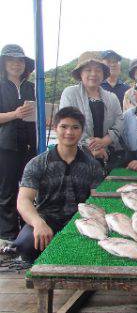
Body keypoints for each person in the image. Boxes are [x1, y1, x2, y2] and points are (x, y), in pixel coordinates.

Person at [12, 107, 103, 262]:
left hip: (81, 220)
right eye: (64, 127)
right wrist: (38, 223)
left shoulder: (93, 165)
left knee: (96, 249)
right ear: (55, 128)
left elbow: (98, 200)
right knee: (25, 245)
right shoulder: (37, 163)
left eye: (75, 127)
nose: (69, 132)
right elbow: (24, 200)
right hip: (47, 218)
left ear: (82, 131)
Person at [59, 51, 124, 171]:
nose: (93, 74)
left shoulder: (112, 97)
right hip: (77, 154)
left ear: (103, 74)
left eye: (98, 70)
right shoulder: (70, 93)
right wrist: (93, 147)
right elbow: (67, 123)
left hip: (106, 154)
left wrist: (105, 141)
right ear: (80, 73)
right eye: (88, 70)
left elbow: (120, 122)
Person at [0, 44, 36, 247]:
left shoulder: (31, 87)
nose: (16, 64)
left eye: (20, 60)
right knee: (7, 190)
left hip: (30, 146)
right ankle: (7, 234)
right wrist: (15, 114)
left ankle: (26, 229)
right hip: (5, 147)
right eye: (11, 60)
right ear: (4, 63)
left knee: (29, 188)